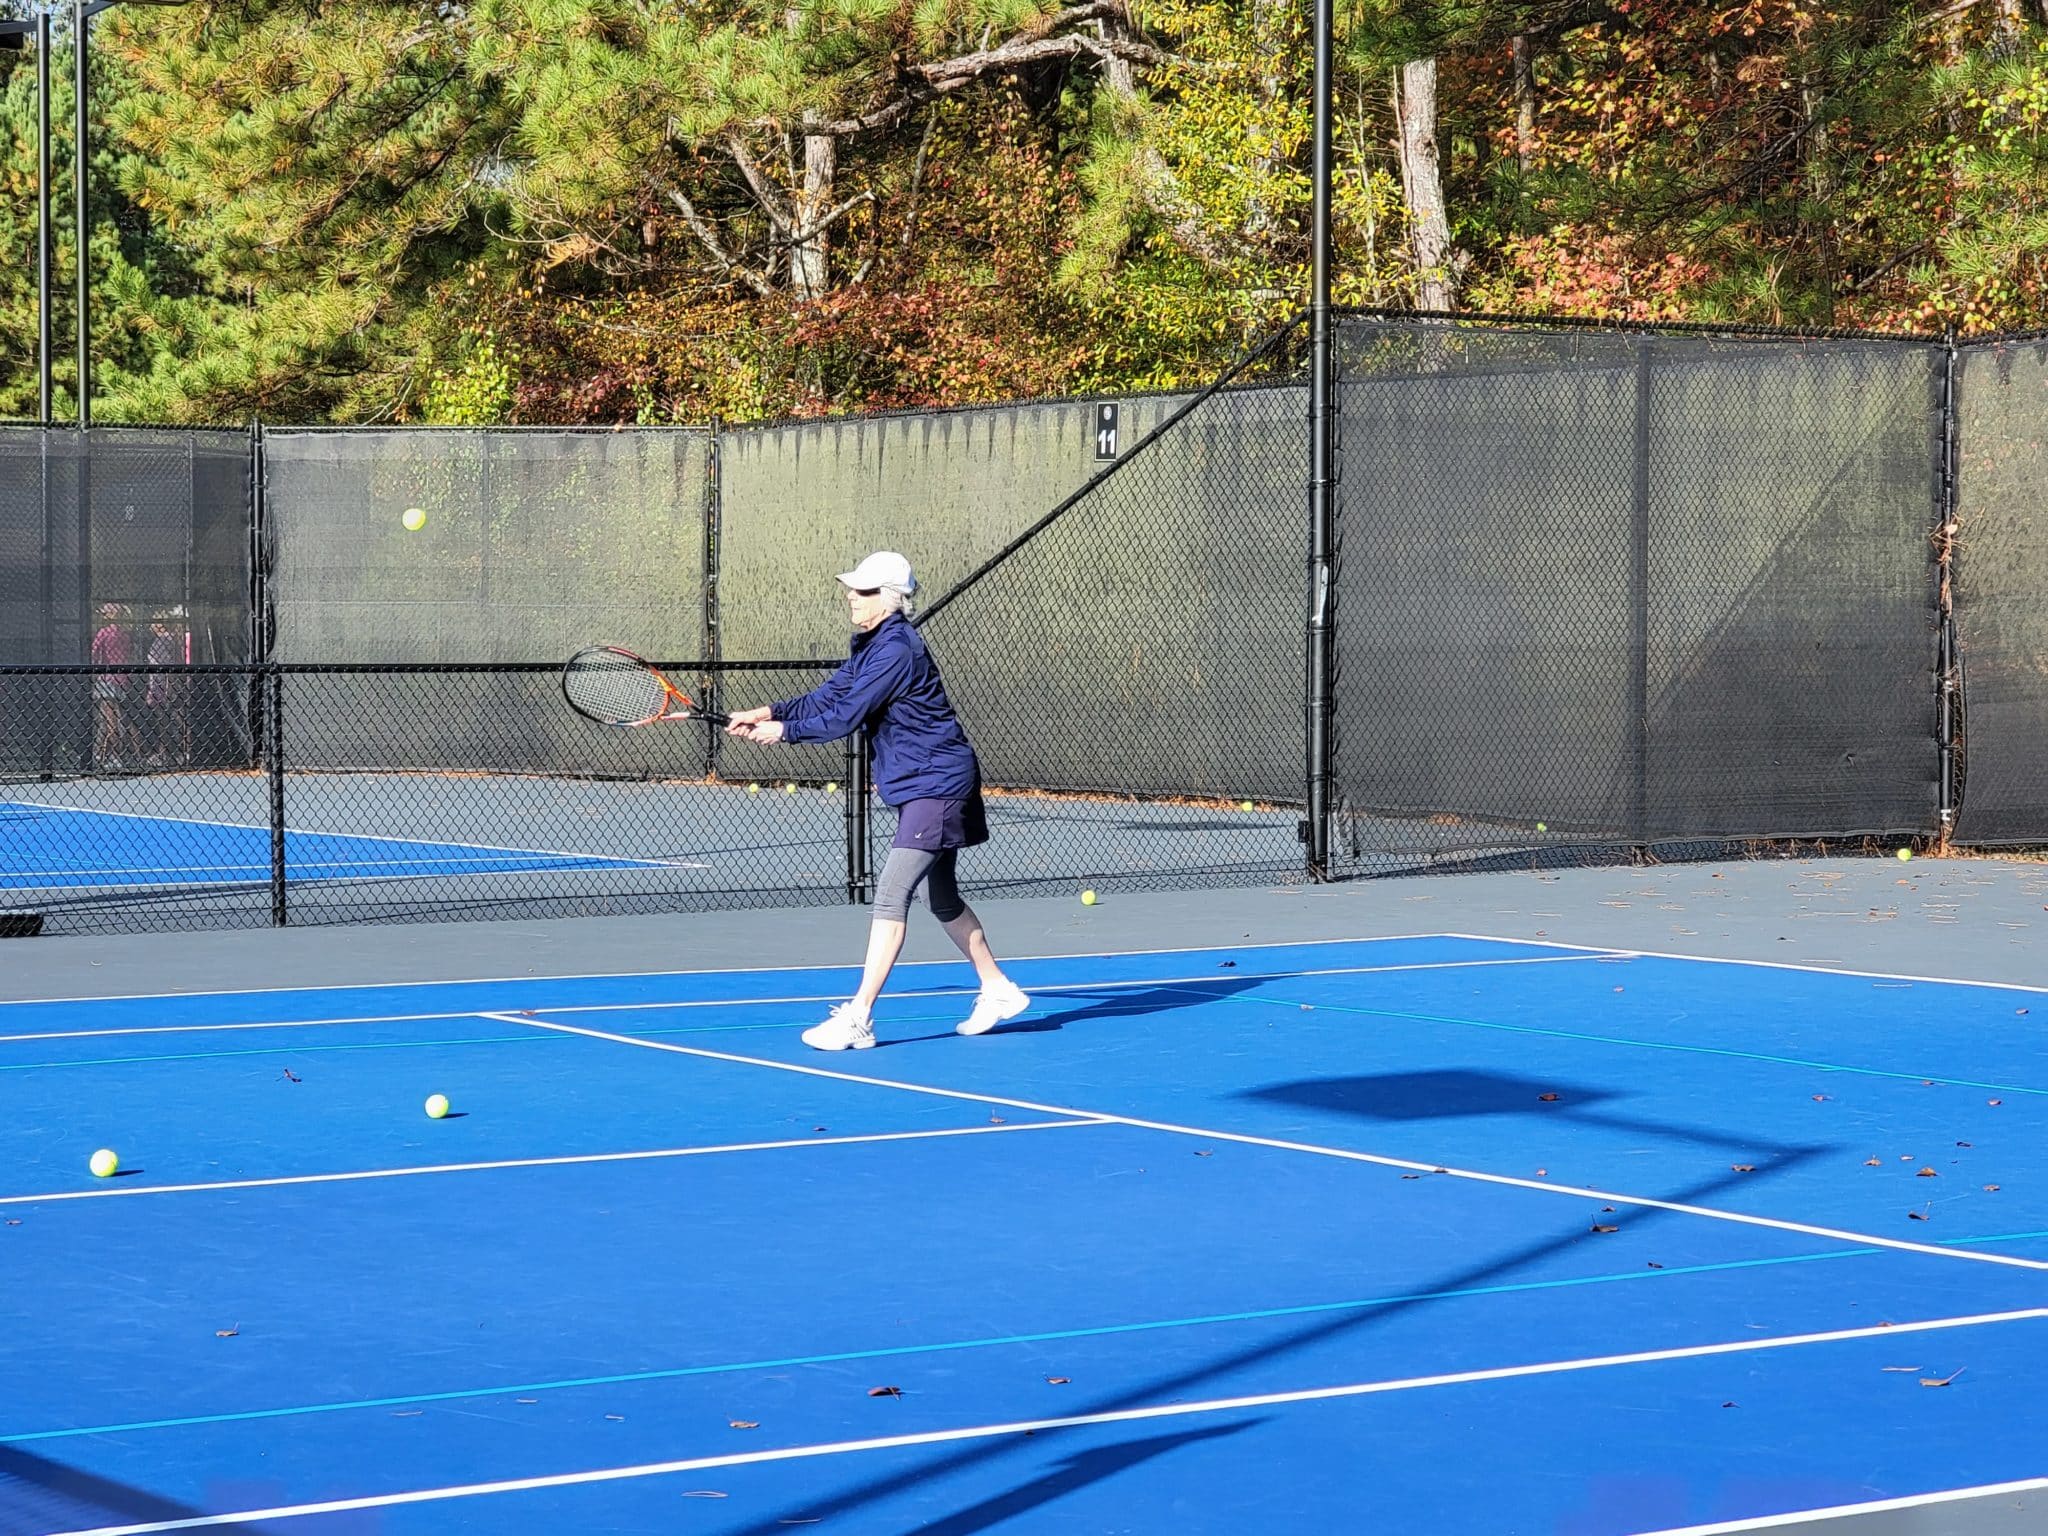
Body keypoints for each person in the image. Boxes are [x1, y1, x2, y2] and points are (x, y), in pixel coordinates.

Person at [727, 551, 1029, 1050]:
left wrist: (784, 732)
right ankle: (998, 988)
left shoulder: (896, 651)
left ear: (889, 599)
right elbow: (829, 695)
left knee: (891, 894)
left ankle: (859, 1016)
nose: (852, 596)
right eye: (852, 588)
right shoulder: (873, 646)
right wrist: (767, 712)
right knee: (941, 898)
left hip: (936, 785)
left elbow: (845, 715)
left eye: (863, 590)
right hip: (923, 782)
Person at [89, 603, 138, 769]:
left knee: (110, 722)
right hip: (121, 680)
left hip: (107, 680)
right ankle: (99, 755)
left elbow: (94, 654)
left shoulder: (104, 633)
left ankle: (114, 756)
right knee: (109, 721)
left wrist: (96, 671)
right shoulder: (126, 635)